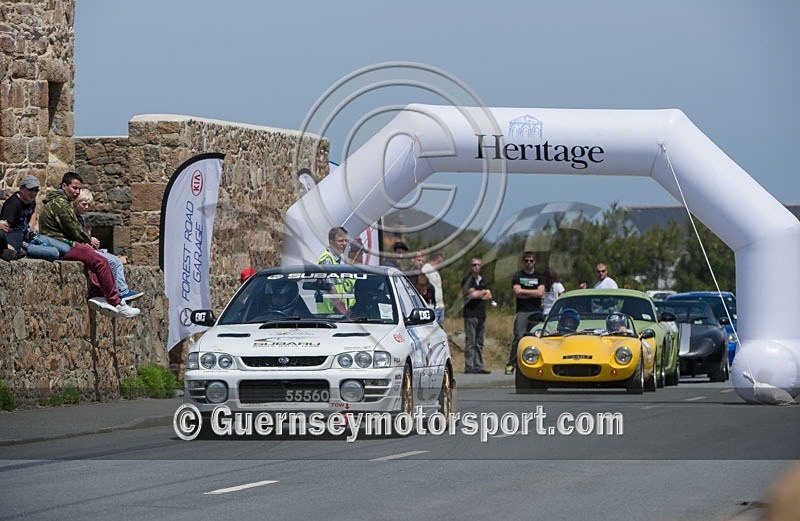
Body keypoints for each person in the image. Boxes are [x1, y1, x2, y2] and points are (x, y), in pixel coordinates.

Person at [38, 172, 139, 318]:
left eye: (79, 189)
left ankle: (98, 294)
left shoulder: (58, 202)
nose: (77, 192)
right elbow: (73, 228)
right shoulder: (60, 204)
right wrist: (88, 239)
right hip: (61, 245)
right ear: (64, 186)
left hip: (60, 243)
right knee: (100, 261)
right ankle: (116, 302)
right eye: (74, 188)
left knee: (94, 257)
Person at [72, 188, 143, 302]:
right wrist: (89, 240)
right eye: (84, 204)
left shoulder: (79, 219)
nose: (86, 207)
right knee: (115, 262)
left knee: (114, 260)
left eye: (88, 205)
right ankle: (122, 292)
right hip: (82, 250)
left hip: (85, 249)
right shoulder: (73, 218)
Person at [0, 175, 69, 261]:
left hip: (30, 236)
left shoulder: (30, 200)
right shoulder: (12, 204)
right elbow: (5, 229)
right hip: (20, 242)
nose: (33, 193)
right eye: (30, 190)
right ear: (21, 189)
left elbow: (35, 209)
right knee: (54, 253)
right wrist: (13, 248)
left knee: (66, 248)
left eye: (36, 190)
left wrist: (30, 227)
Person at [506, 252, 546, 375]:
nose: (529, 263)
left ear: (534, 262)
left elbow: (541, 293)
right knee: (519, 336)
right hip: (522, 311)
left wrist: (524, 292)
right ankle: (511, 364)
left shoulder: (539, 277)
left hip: (536, 311)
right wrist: (532, 292)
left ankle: (536, 363)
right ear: (523, 262)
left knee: (538, 337)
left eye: (531, 261)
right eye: (526, 261)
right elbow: (517, 292)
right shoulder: (518, 276)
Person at [461, 258, 493, 374]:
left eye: (478, 265)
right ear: (470, 267)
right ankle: (469, 366)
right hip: (470, 314)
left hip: (481, 314)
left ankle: (478, 365)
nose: (476, 267)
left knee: (479, 342)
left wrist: (480, 293)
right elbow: (472, 294)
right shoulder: (467, 280)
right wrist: (481, 293)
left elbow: (489, 295)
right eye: (474, 265)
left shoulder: (482, 280)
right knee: (471, 341)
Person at [421, 249, 446, 327]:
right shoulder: (426, 269)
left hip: (440, 306)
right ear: (439, 257)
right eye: (443, 257)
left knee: (440, 329)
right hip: (432, 306)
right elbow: (423, 285)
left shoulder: (436, 271)